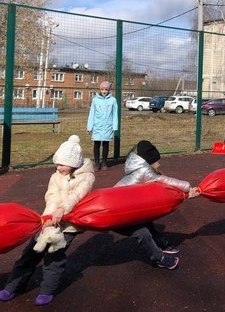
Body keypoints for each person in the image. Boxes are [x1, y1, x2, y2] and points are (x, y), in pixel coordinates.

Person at [0, 135, 95, 306]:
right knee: (30, 253)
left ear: (74, 163)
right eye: (57, 164)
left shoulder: (86, 177)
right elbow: (51, 196)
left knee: (53, 256)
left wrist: (62, 210)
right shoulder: (55, 176)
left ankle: (47, 290)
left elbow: (77, 195)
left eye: (62, 164)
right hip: (49, 220)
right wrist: (50, 217)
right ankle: (13, 286)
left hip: (69, 225)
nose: (58, 168)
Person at [114, 140, 200, 269]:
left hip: (126, 208)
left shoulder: (138, 169)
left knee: (147, 220)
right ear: (148, 162)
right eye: (156, 161)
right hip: (116, 213)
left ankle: (160, 242)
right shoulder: (144, 171)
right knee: (142, 232)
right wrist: (188, 188)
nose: (159, 164)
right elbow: (165, 181)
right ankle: (158, 258)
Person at [87, 81, 118, 170]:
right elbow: (92, 113)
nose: (104, 91)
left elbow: (115, 114)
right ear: (100, 89)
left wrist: (114, 126)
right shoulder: (95, 100)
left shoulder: (113, 100)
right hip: (97, 126)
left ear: (109, 90)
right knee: (96, 144)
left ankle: (104, 162)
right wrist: (90, 127)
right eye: (102, 89)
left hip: (107, 126)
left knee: (105, 144)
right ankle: (97, 163)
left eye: (106, 89)